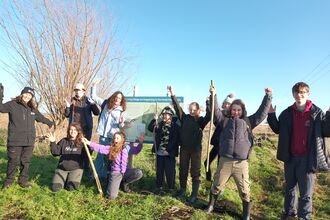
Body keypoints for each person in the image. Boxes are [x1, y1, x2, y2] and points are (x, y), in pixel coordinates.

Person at [205, 85, 272, 220]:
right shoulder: (224, 121)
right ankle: (211, 205)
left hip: (241, 163)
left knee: (245, 190)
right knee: (217, 185)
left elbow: (262, 113)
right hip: (225, 161)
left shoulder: (248, 121)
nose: (236, 112)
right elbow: (216, 110)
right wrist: (214, 94)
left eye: (238, 110)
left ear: (242, 111)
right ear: (230, 110)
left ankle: (246, 214)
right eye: (234, 110)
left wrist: (268, 97)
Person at [267, 82, 330, 220]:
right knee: (290, 189)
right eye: (296, 92)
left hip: (308, 159)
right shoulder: (286, 113)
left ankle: (304, 217)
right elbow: (277, 128)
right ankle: (289, 213)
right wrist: (271, 115)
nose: (299, 95)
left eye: (302, 92)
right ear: (293, 94)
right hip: (290, 158)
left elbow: (327, 131)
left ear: (308, 94)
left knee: (306, 193)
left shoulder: (317, 113)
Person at [0, 84, 54, 188]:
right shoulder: (12, 104)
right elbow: (1, 108)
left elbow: (41, 117)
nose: (27, 97)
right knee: (13, 161)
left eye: (30, 96)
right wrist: (1, 93)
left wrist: (50, 123)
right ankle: (8, 182)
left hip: (29, 141)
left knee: (26, 162)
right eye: (26, 94)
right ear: (22, 93)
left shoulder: (32, 108)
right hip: (15, 140)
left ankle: (23, 181)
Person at [168, 85, 210, 204]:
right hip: (184, 149)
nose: (191, 111)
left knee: (195, 172)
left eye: (194, 109)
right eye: (190, 109)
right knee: (183, 170)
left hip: (196, 150)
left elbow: (209, 114)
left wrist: (208, 102)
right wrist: (172, 93)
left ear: (198, 110)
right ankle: (182, 190)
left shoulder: (201, 121)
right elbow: (177, 107)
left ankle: (194, 194)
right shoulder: (184, 118)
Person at [82, 131, 144, 199]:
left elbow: (136, 150)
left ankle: (124, 183)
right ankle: (111, 182)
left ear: (122, 140)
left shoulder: (127, 147)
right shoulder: (111, 148)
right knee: (111, 196)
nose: (115, 140)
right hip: (115, 173)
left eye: (117, 138)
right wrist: (89, 142)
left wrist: (141, 142)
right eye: (114, 138)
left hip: (125, 172)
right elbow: (100, 147)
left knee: (138, 173)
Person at [90, 81, 126, 180]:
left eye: (119, 98)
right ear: (113, 97)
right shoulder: (105, 104)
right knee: (100, 156)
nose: (117, 99)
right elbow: (94, 97)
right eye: (116, 97)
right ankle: (95, 176)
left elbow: (121, 126)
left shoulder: (121, 111)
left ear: (121, 101)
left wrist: (122, 122)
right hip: (103, 135)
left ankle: (105, 175)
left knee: (109, 157)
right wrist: (94, 86)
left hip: (113, 137)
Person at [64, 83, 100, 175]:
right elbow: (67, 115)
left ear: (83, 91)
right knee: (74, 146)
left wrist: (93, 104)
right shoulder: (72, 100)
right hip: (74, 129)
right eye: (76, 90)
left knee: (86, 147)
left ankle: (86, 167)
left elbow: (97, 113)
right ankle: (75, 166)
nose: (77, 92)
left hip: (86, 128)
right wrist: (68, 106)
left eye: (79, 90)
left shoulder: (88, 100)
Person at [147, 106, 180, 194]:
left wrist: (168, 150)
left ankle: (171, 188)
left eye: (167, 114)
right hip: (159, 152)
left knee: (170, 171)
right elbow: (150, 128)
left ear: (171, 116)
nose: (165, 116)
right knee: (159, 171)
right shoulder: (159, 124)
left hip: (169, 153)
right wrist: (154, 120)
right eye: (164, 114)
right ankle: (159, 187)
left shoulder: (175, 126)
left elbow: (175, 139)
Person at [204, 93, 234, 181]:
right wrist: (208, 103)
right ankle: (209, 181)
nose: (227, 105)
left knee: (220, 168)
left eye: (229, 104)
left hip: (224, 147)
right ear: (223, 104)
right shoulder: (219, 115)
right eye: (226, 103)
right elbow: (212, 113)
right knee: (206, 163)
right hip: (217, 145)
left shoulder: (232, 118)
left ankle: (217, 187)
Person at [47, 123, 84, 192]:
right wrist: (52, 142)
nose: (72, 131)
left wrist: (90, 147)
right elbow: (55, 153)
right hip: (62, 169)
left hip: (76, 169)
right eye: (71, 130)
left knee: (71, 188)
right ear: (68, 131)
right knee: (55, 188)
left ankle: (69, 179)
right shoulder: (64, 141)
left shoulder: (82, 142)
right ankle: (64, 178)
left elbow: (87, 155)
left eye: (75, 130)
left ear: (78, 131)